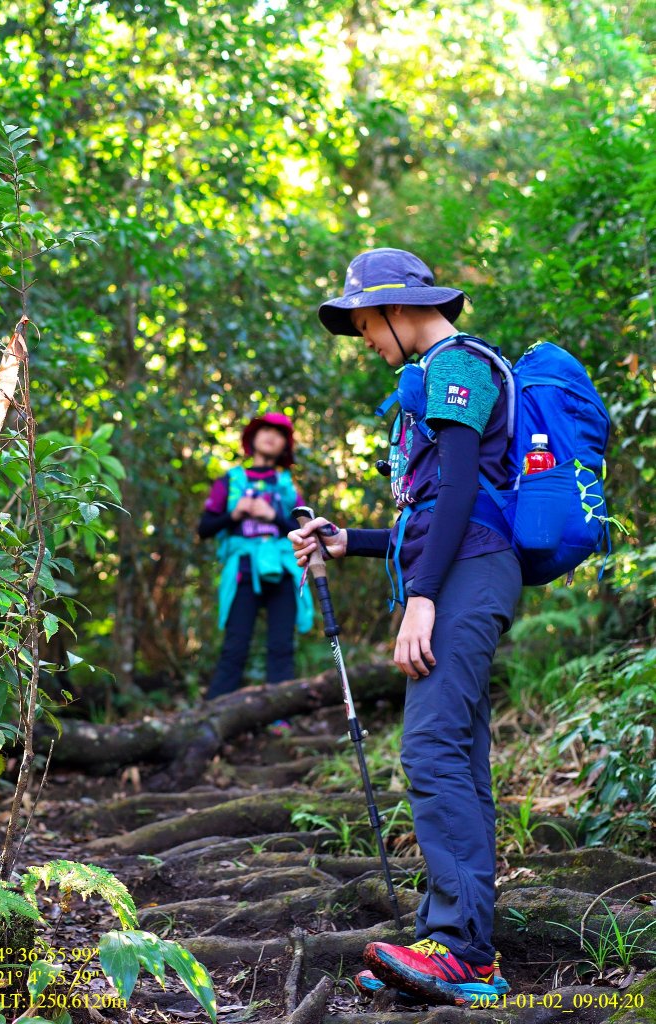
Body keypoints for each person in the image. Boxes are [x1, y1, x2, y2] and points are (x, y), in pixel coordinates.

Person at [289, 248, 522, 1006]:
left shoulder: (458, 364)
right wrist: (346, 541)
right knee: (454, 748)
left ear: (395, 306)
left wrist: (421, 596)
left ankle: (460, 949)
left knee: (429, 747)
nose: (366, 342)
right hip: (459, 570)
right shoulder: (434, 376)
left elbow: (459, 488)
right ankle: (458, 945)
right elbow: (433, 509)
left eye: (365, 325)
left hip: (466, 574)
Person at [199, 412, 313, 700]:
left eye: (279, 433)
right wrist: (235, 513)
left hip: (283, 570)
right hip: (244, 570)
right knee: (235, 646)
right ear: (252, 438)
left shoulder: (287, 485)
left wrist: (273, 515)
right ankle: (215, 713)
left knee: (281, 646)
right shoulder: (231, 480)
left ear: (284, 447)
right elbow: (204, 528)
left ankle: (281, 718)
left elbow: (305, 529)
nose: (271, 436)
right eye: (265, 430)